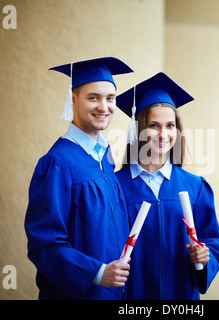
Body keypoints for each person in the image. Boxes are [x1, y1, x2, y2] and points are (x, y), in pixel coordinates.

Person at [24, 57, 134, 300]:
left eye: (110, 98)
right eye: (93, 97)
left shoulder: (104, 156)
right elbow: (44, 245)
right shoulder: (57, 163)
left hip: (112, 294)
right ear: (73, 100)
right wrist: (97, 272)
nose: (104, 107)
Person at [115, 72, 219, 300]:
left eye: (170, 125)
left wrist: (205, 257)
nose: (163, 134)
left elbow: (213, 242)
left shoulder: (195, 187)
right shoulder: (115, 186)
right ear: (138, 130)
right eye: (153, 125)